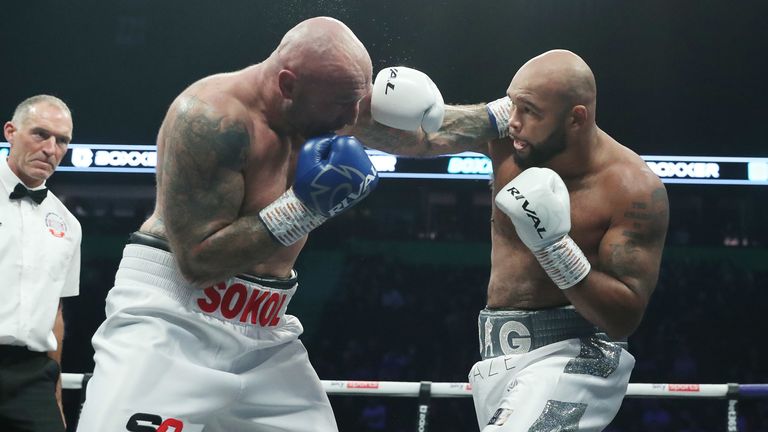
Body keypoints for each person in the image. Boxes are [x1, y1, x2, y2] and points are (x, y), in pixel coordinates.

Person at [77, 17, 379, 432]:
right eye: (344, 103)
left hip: (266, 331)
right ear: (288, 85)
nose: (354, 118)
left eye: (358, 99)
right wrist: (307, 207)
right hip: (174, 319)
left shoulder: (327, 102)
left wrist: (498, 114)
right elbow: (198, 263)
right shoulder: (210, 117)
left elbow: (425, 133)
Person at [352, 50, 669, 431]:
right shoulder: (509, 131)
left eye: (530, 111)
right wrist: (346, 108)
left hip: (578, 356)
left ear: (576, 117)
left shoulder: (631, 189)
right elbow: (420, 138)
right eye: (512, 104)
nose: (514, 121)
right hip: (496, 357)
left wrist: (555, 247)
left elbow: (624, 317)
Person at [0, 95, 81, 431]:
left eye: (61, 140)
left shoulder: (68, 225)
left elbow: (55, 315)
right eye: (40, 134)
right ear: (11, 132)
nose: (51, 148)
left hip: (32, 377)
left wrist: (56, 394)